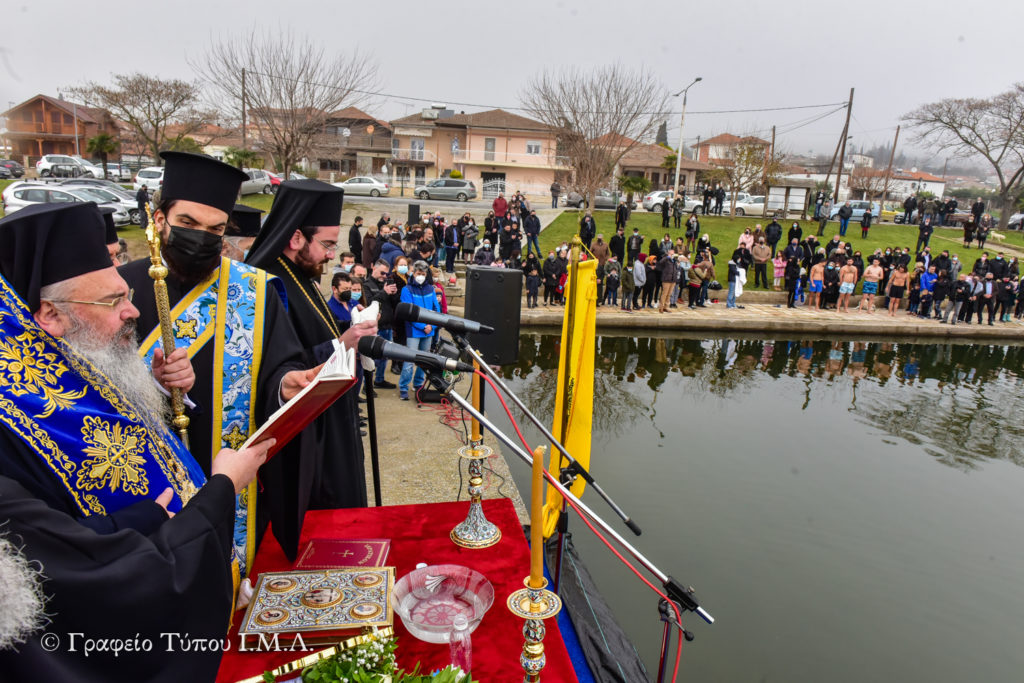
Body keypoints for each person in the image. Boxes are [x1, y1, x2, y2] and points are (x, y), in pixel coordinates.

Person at [119, 153, 316, 567]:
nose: (201, 237)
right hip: (142, 478)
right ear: (159, 219)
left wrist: (286, 383)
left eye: (216, 229)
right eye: (188, 224)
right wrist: (151, 379)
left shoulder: (255, 290)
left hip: (228, 472)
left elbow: (280, 362)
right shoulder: (121, 288)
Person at [245, 179, 379, 512]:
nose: (333, 255)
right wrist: (342, 343)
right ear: (296, 238)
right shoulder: (270, 284)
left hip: (333, 421)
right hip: (308, 441)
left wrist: (348, 334)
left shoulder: (302, 275)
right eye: (328, 244)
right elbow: (278, 369)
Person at [395, 261, 440, 399]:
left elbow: (436, 309)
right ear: (413, 273)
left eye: (423, 274)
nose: (421, 276)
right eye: (418, 273)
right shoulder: (406, 290)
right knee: (409, 361)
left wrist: (432, 326)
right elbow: (408, 313)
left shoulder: (431, 289)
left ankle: (418, 384)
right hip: (414, 331)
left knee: (424, 360)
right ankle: (404, 387)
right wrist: (422, 326)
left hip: (429, 330)